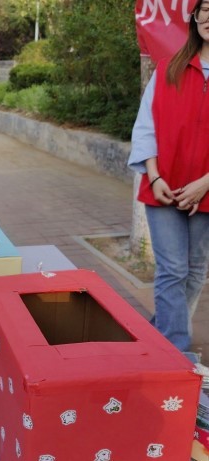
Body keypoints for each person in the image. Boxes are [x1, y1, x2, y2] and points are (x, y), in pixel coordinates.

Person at [128, 0, 209, 363]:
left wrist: (204, 184)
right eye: (204, 9)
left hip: (206, 191)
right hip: (163, 188)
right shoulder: (169, 68)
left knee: (194, 272)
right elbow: (145, 127)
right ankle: (176, 356)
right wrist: (155, 175)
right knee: (173, 269)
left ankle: (154, 336)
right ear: (194, 17)